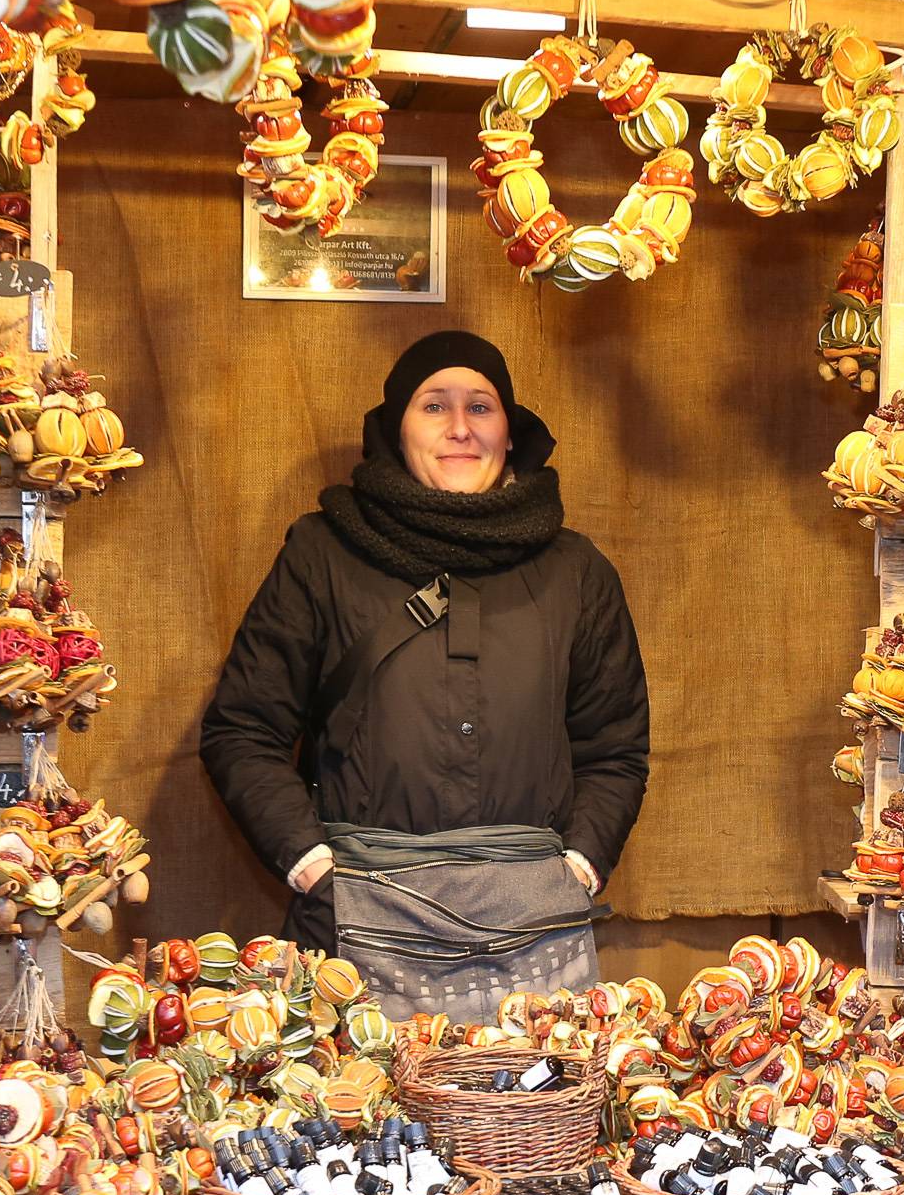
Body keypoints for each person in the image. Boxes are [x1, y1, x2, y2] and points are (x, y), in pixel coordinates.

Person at [199, 330, 650, 970]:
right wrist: (314, 872)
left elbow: (615, 747)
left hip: (536, 931)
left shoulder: (576, 573)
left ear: (510, 431)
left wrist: (577, 868)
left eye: (481, 407)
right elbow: (244, 729)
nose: (460, 428)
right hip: (355, 924)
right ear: (397, 428)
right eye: (434, 406)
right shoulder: (322, 555)